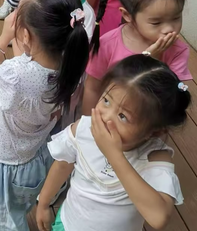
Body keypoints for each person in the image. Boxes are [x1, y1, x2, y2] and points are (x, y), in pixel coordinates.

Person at [0, 0, 90, 231]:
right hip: (37, 156)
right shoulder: (73, 61)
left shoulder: (14, 76)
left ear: (25, 36)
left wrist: (3, 38)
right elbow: (25, 62)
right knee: (19, 205)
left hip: (9, 163)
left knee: (6, 221)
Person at [37, 55, 189, 231]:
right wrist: (43, 203)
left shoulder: (154, 157)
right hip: (68, 224)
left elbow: (159, 218)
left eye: (123, 116)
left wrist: (114, 155)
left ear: (153, 132)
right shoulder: (84, 128)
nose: (106, 118)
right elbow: (62, 165)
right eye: (107, 100)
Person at [82, 0, 191, 115]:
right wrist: (88, 123)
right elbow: (93, 88)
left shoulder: (177, 51)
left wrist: (153, 63)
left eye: (176, 18)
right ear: (127, 15)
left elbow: (172, 100)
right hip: (108, 118)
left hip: (147, 123)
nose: (169, 29)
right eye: (156, 22)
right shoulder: (107, 44)